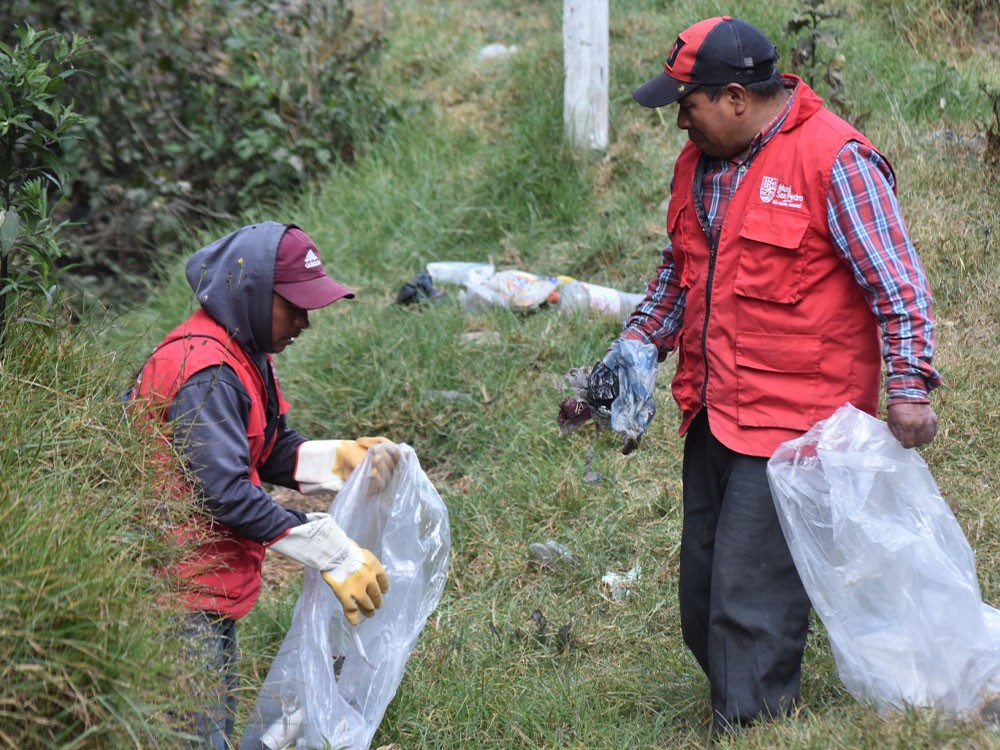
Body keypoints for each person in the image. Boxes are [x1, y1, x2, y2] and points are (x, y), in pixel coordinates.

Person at [603, 15, 942, 733]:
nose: (679, 125)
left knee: (748, 605)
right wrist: (639, 341)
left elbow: (899, 285)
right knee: (702, 596)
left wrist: (908, 388)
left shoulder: (835, 161)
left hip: (797, 428)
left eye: (685, 107)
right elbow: (682, 270)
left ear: (732, 98)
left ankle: (754, 728)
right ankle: (743, 699)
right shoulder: (699, 164)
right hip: (714, 409)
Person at [129, 221, 400, 748]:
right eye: (293, 305)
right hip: (173, 593)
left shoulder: (243, 351)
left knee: (209, 726)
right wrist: (331, 550)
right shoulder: (204, 368)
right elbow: (224, 490)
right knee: (196, 735)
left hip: (206, 583)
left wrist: (342, 459)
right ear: (250, 293)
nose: (305, 321)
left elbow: (266, 446)